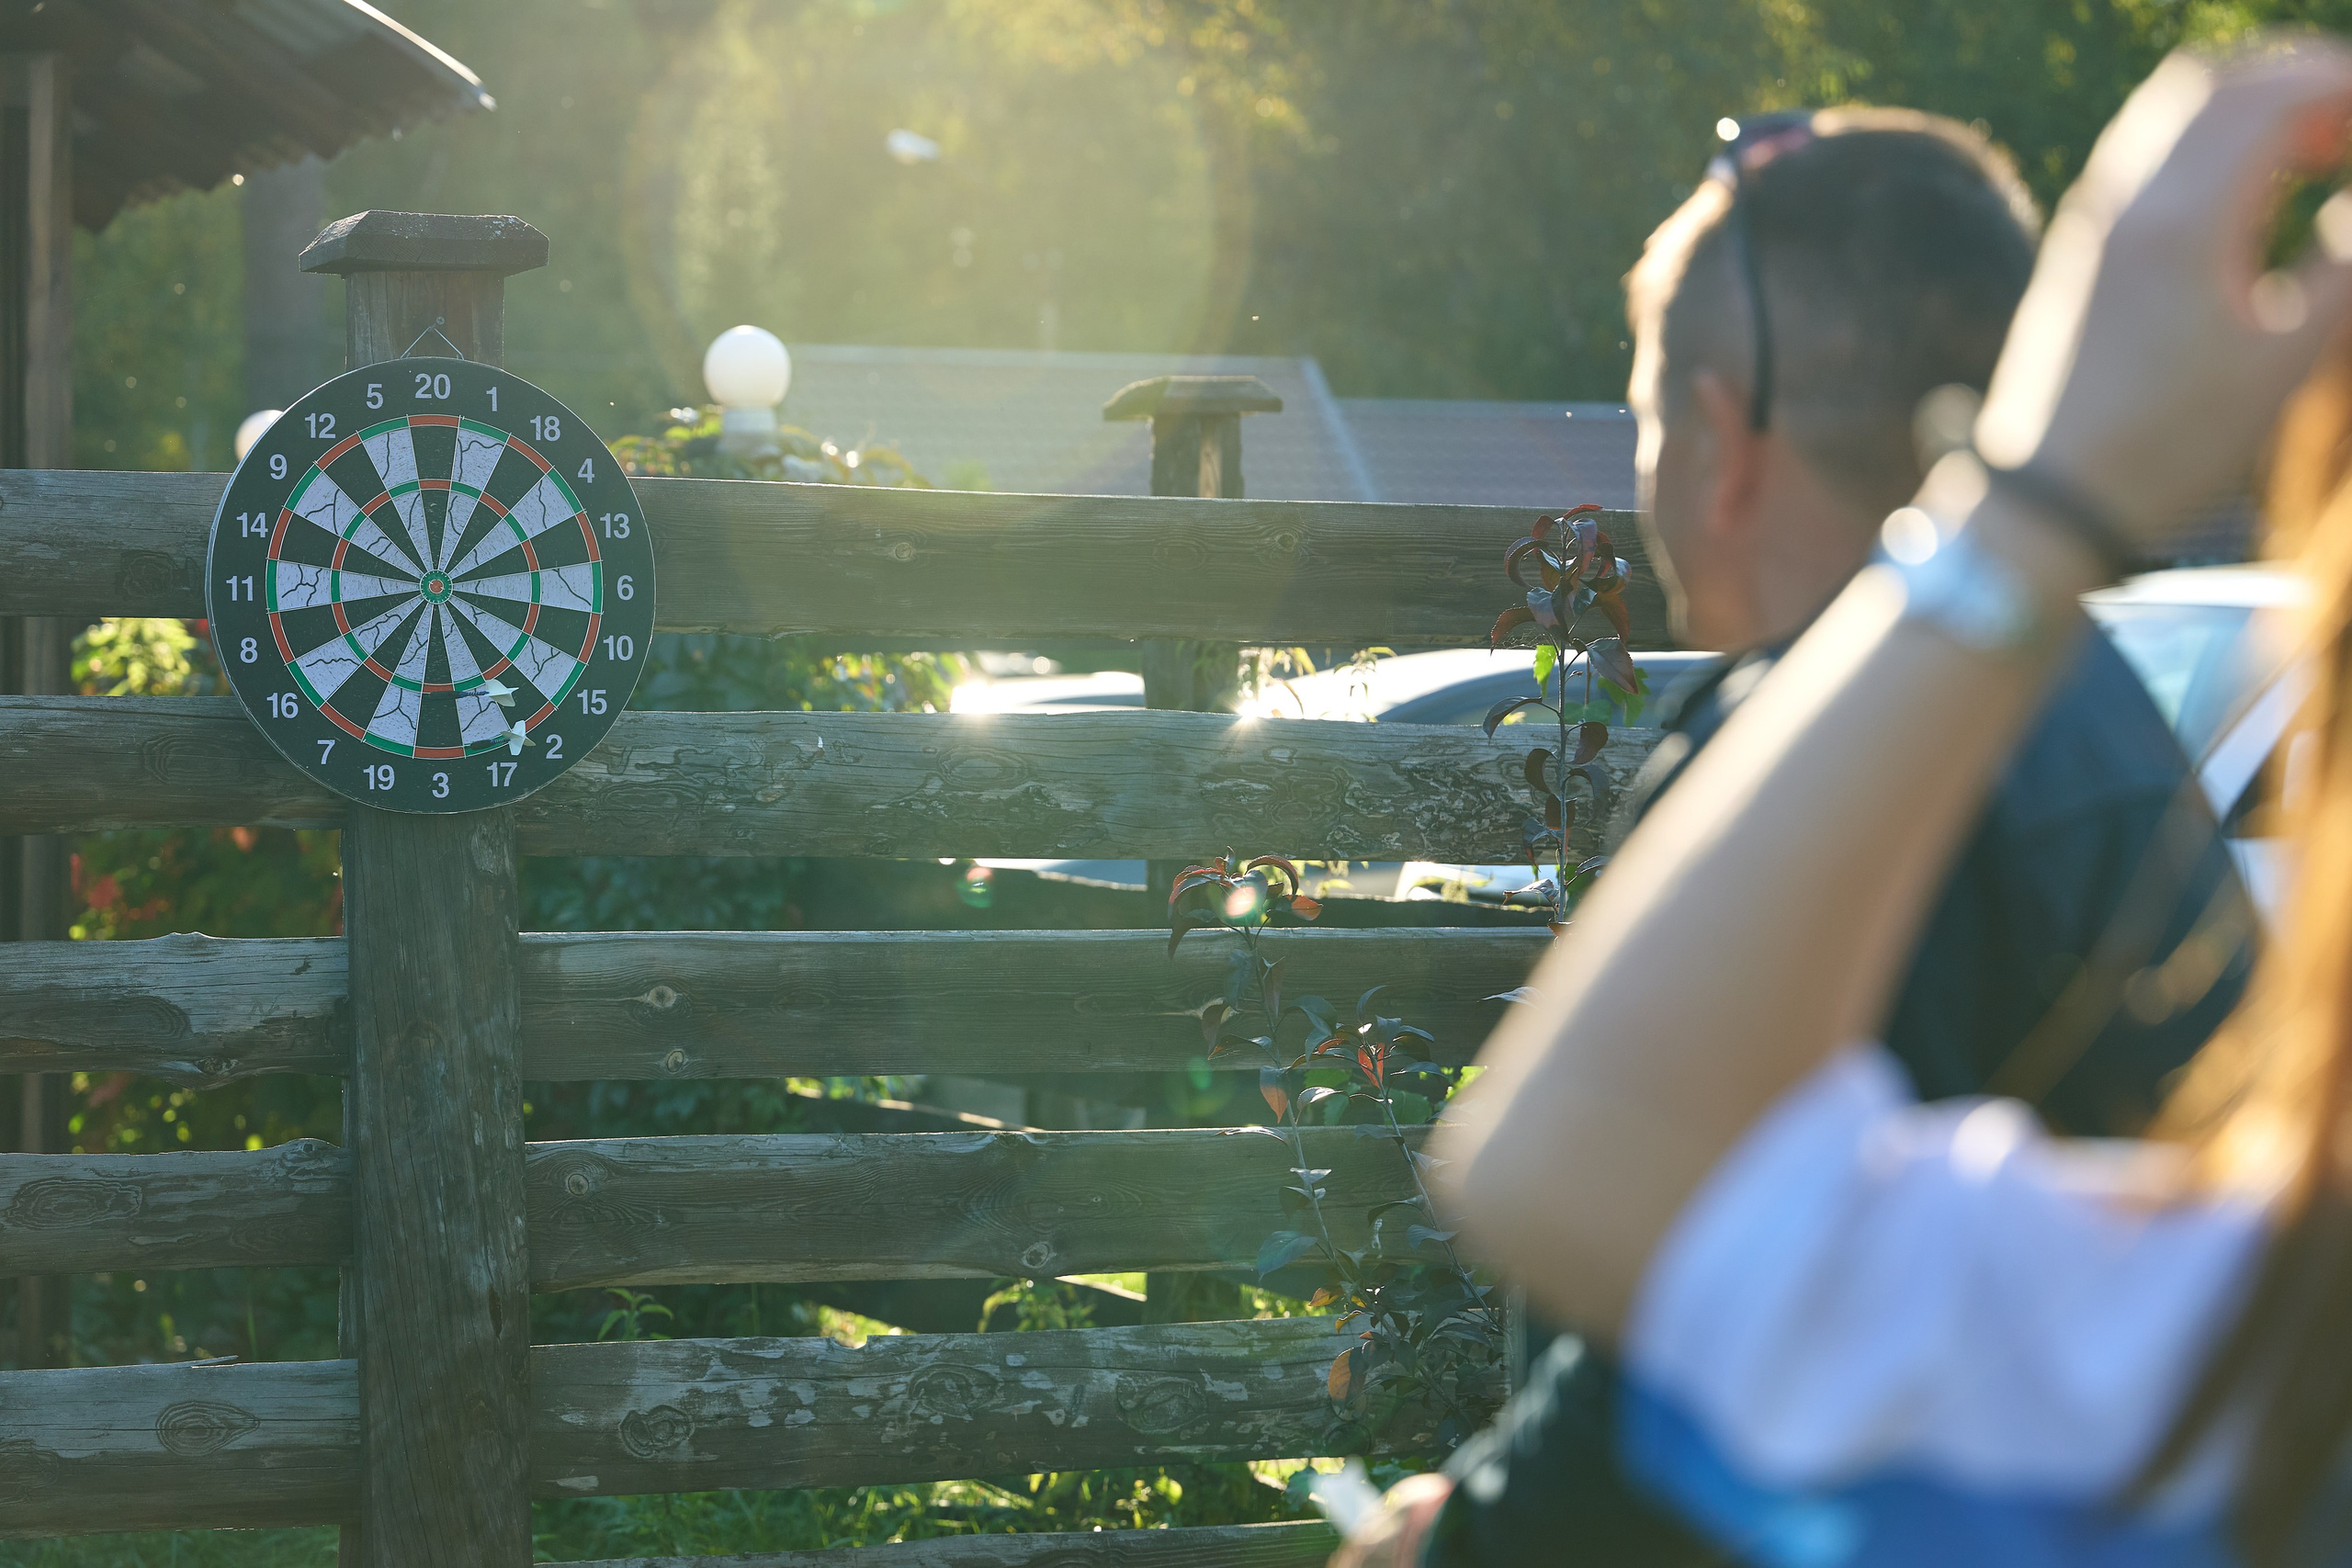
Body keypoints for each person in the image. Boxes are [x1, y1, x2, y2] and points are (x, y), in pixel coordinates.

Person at [1340, 36, 2352, 1567]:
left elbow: (1687, 1298)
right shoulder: (2093, 706)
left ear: (1719, 433)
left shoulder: (1847, 789)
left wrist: (1465, 1544)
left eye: (1647, 415)